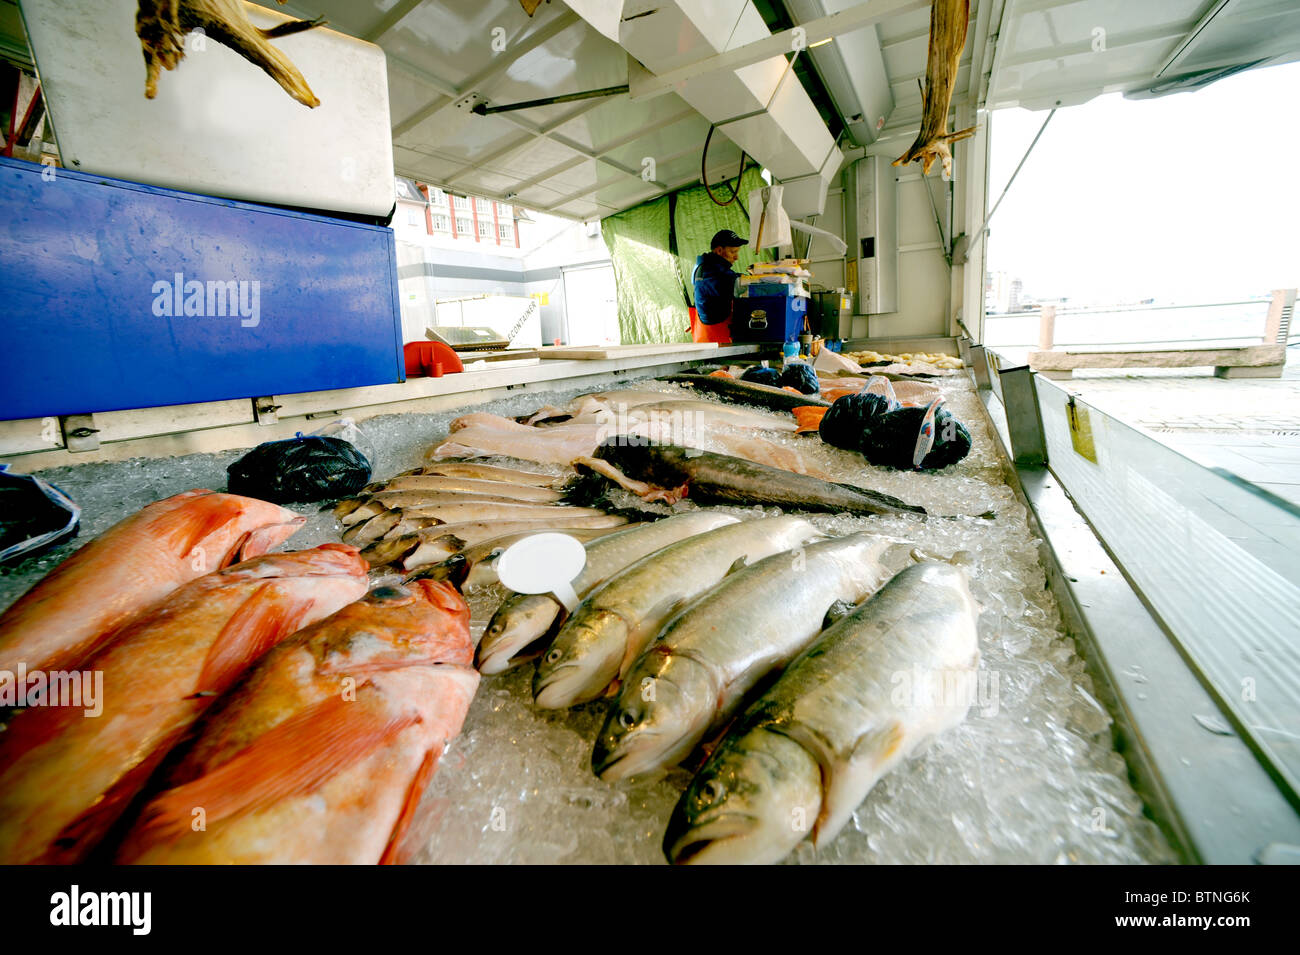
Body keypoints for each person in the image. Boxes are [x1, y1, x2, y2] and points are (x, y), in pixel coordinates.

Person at [690, 229, 748, 343]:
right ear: (719, 250)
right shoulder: (708, 272)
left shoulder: (714, 268)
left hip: (719, 336)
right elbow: (734, 285)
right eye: (733, 252)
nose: (736, 257)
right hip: (714, 338)